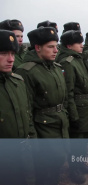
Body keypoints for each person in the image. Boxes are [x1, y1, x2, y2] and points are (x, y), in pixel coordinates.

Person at [15, 26, 69, 185]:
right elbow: (26, 108)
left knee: (58, 161)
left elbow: (63, 97)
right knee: (44, 167)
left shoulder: (56, 68)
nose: (55, 50)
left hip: (59, 122)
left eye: (56, 46)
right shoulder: (27, 71)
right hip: (42, 127)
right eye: (50, 47)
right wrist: (33, 138)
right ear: (38, 48)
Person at [56, 30, 88, 184]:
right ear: (68, 45)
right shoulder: (68, 62)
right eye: (78, 43)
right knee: (76, 142)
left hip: (86, 108)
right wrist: (73, 115)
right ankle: (74, 169)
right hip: (78, 109)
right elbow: (68, 93)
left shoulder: (80, 59)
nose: (82, 45)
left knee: (83, 140)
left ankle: (80, 164)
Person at [0, 29, 36, 185]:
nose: (10, 59)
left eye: (13, 54)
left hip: (24, 156)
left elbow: (28, 116)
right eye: (3, 53)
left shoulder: (18, 82)